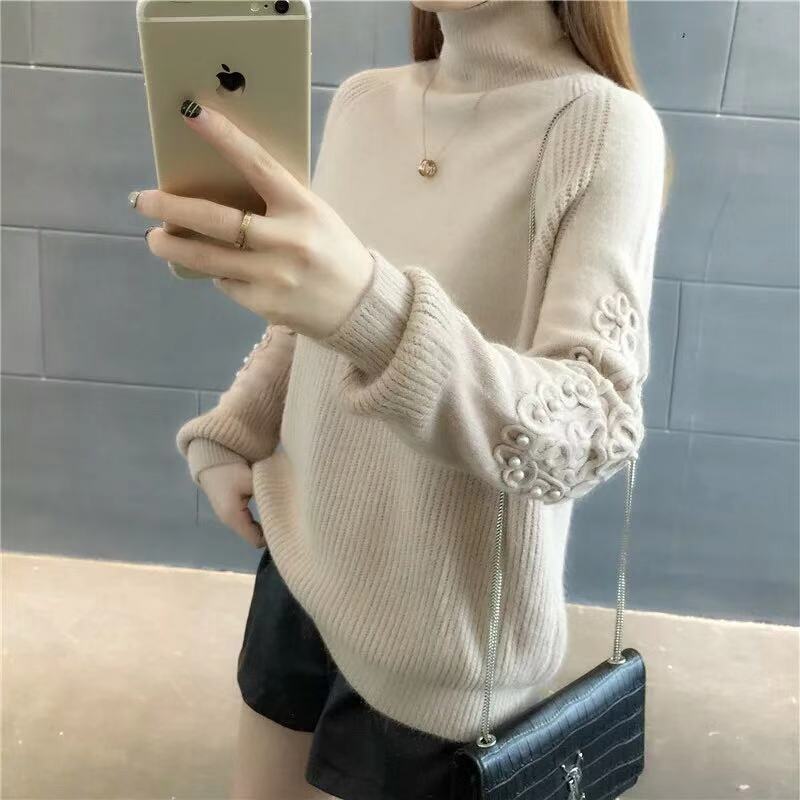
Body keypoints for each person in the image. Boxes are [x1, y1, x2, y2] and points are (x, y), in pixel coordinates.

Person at [130, 1, 670, 797]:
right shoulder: (363, 104)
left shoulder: (603, 128)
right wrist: (231, 433)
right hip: (298, 567)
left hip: (442, 639)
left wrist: (369, 306)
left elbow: (589, 429)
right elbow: (309, 318)